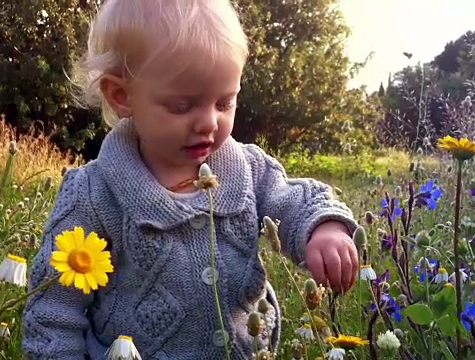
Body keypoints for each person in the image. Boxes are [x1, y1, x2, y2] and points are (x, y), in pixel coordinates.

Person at [22, 0, 359, 358]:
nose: (209, 122)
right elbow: (53, 309)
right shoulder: (94, 194)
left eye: (225, 102)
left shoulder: (247, 168)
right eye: (183, 106)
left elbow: (295, 201)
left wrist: (324, 230)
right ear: (122, 95)